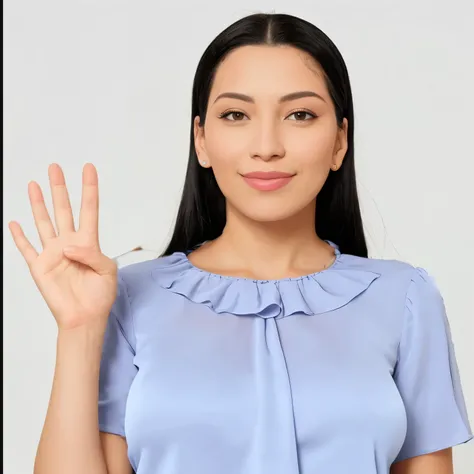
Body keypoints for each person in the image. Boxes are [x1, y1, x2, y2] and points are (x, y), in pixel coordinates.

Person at [9, 12, 473, 474]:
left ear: (339, 142)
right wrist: (78, 331)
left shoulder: (404, 298)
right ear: (202, 140)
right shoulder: (126, 297)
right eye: (236, 114)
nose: (266, 145)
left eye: (300, 114)